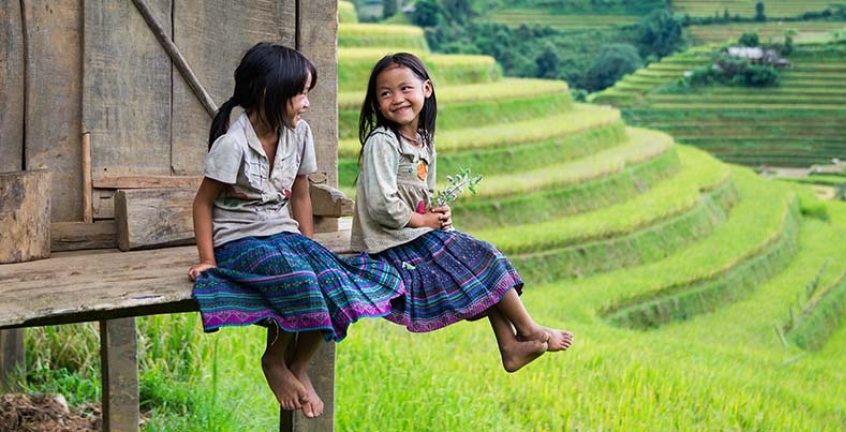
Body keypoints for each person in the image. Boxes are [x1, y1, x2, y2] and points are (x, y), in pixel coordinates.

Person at [188, 42, 402, 418]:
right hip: (239, 240)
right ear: (268, 93)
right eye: (301, 93)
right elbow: (203, 203)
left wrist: (308, 246)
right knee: (300, 279)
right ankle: (274, 360)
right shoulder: (232, 144)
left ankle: (298, 365)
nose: (307, 102)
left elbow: (301, 195)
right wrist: (208, 259)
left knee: (332, 278)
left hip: (284, 233)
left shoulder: (299, 134)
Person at [351, 52, 574, 373]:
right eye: (385, 93)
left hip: (414, 235)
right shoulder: (382, 142)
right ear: (376, 102)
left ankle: (510, 347)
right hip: (389, 244)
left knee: (477, 263)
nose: (397, 99)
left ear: (426, 89)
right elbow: (380, 203)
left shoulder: (423, 141)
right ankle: (528, 330)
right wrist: (423, 220)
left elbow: (423, 195)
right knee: (480, 258)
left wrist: (437, 214)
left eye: (405, 89)